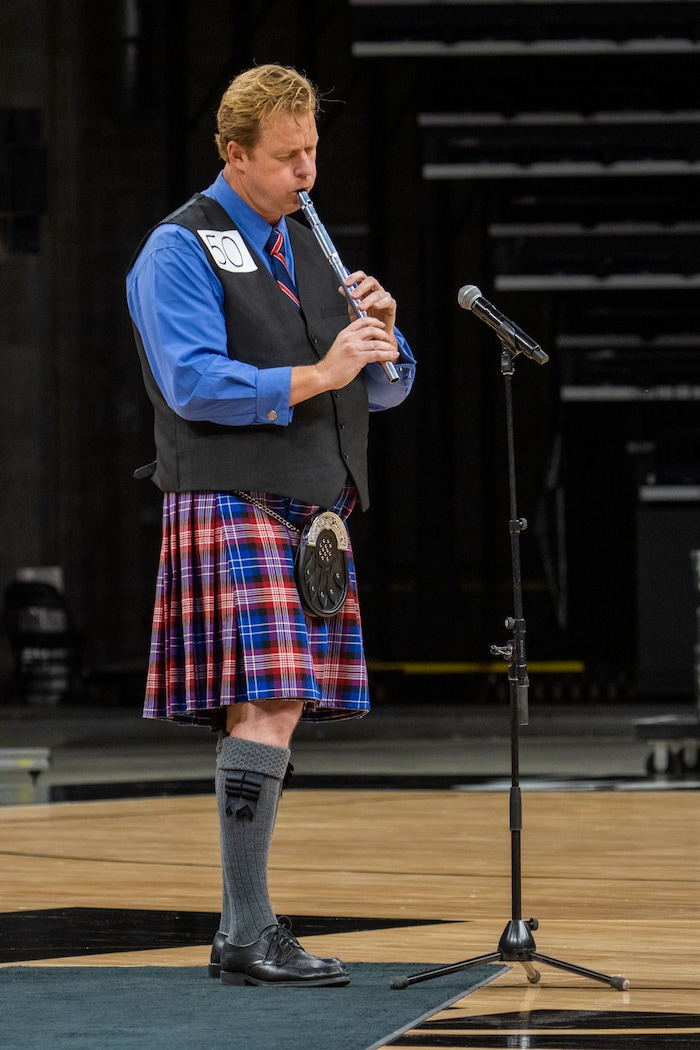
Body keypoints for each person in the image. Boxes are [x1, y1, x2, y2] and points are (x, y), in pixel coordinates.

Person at [126, 63, 416, 988]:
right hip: (232, 495)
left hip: (312, 505)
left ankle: (245, 931)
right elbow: (194, 382)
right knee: (271, 701)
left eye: (314, 152)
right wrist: (324, 374)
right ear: (234, 153)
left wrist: (385, 340)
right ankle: (248, 930)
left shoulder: (307, 248)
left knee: (276, 705)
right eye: (288, 158)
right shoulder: (178, 249)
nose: (307, 175)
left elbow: (390, 387)